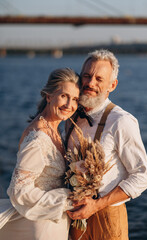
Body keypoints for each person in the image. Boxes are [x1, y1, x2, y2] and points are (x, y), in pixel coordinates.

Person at [66, 49, 147, 240]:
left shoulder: (121, 121)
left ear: (112, 85)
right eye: (86, 76)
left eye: (98, 79)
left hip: (108, 218)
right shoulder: (70, 117)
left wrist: (98, 204)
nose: (90, 83)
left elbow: (142, 176)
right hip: (73, 216)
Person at [0, 68, 80, 240]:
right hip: (41, 227)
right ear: (49, 96)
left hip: (51, 220)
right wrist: (66, 201)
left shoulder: (54, 129)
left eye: (75, 99)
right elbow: (19, 190)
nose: (69, 105)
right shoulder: (38, 139)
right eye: (64, 96)